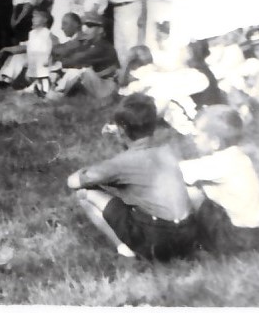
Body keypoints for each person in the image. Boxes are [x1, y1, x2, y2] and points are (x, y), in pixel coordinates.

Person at [66, 94, 197, 261]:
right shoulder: (169, 151)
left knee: (84, 193)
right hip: (188, 237)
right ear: (153, 125)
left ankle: (125, 251)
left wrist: (85, 170)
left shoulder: (121, 163)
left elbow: (72, 182)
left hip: (156, 242)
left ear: (121, 131)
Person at [178, 105, 259, 254]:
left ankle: (186, 241)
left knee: (189, 191)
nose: (193, 139)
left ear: (215, 142)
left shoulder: (219, 164)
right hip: (256, 233)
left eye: (197, 135)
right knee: (199, 188)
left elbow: (178, 171)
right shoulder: (237, 157)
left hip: (236, 238)